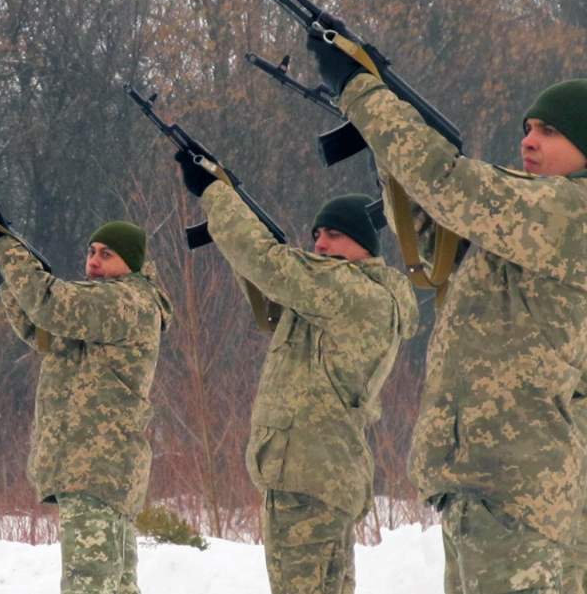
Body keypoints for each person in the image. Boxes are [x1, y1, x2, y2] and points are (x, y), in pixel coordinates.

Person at [307, 28, 587, 593]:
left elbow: (448, 182)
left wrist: (364, 93)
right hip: (487, 479)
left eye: (549, 130)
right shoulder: (534, 227)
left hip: (514, 485)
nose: (529, 140)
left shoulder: (578, 216)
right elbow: (433, 238)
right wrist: (389, 152)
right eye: (526, 129)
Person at [173, 151, 418, 594]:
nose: (320, 245)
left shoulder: (346, 289)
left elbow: (266, 261)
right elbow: (268, 279)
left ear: (365, 245)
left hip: (306, 474)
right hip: (324, 474)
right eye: (317, 235)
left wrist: (215, 193)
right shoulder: (356, 296)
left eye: (335, 235)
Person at [0, 210, 172, 594]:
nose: (93, 262)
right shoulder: (106, 310)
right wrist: (6, 264)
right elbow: (41, 328)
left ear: (131, 263)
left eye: (107, 254)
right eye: (91, 252)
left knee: (88, 587)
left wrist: (4, 246)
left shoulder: (124, 300)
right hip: (100, 472)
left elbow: (51, 304)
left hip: (97, 471)